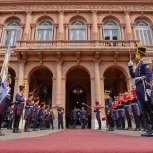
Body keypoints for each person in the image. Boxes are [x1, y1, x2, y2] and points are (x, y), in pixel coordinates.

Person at [128, 46, 153, 136]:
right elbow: (133, 75)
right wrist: (130, 67)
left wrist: (148, 87)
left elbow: (149, 73)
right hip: (138, 85)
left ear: (139, 53)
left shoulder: (146, 60)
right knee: (143, 107)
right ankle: (149, 128)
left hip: (143, 85)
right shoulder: (139, 63)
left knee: (149, 106)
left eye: (136, 54)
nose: (135, 56)